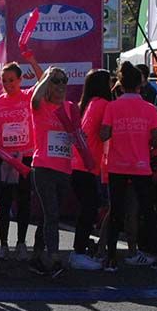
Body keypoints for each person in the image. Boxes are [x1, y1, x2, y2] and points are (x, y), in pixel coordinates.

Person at [99, 61, 157, 271]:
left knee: (116, 212)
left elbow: (104, 134)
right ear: (140, 84)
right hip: (141, 165)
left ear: (120, 83)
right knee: (148, 211)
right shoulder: (149, 109)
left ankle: (111, 259)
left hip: (117, 165)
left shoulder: (112, 107)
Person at [28, 67, 96, 277]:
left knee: (48, 215)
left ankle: (37, 256)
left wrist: (81, 140)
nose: (60, 85)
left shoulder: (70, 107)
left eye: (63, 81)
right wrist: (47, 76)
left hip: (64, 169)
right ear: (48, 84)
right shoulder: (40, 106)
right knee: (52, 214)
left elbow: (77, 134)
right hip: (43, 167)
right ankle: (55, 259)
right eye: (56, 81)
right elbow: (34, 98)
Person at [0, 58, 44, 260]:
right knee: (4, 202)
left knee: (24, 201)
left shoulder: (28, 96)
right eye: (4, 80)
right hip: (4, 159)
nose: (8, 84)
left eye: (11, 80)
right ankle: (3, 245)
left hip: (25, 158)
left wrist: (32, 60)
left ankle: (21, 243)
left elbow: (43, 80)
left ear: (20, 80)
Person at [68, 69, 112, 271]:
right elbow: (104, 133)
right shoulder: (103, 104)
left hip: (79, 164)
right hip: (88, 165)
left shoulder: (88, 104)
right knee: (88, 209)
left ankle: (81, 249)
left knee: (87, 209)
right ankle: (78, 252)